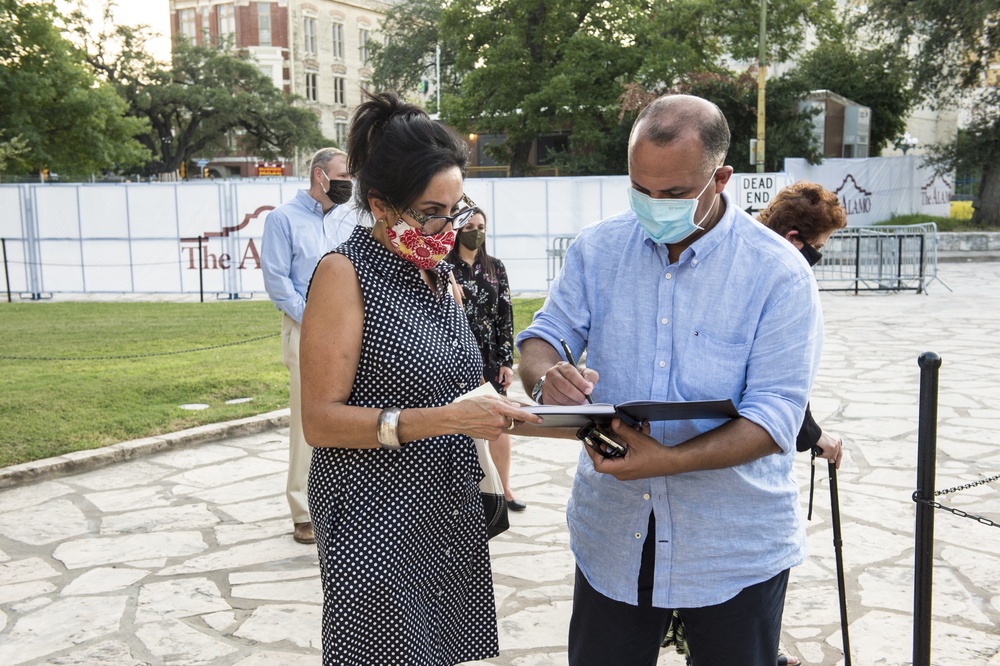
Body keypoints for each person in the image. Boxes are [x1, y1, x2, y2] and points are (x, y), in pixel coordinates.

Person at [516, 94, 823, 666]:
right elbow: (543, 335)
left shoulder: (778, 273)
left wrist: (668, 460)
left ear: (721, 177)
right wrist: (546, 376)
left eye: (676, 193)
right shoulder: (597, 248)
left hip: (732, 542)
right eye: (641, 190)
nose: (655, 206)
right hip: (613, 532)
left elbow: (776, 414)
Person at [298, 91, 551, 665]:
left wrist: (545, 406)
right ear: (382, 205)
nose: (447, 228)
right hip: (373, 513)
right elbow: (320, 421)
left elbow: (454, 390)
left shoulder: (443, 281)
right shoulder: (344, 274)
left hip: (446, 504)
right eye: (431, 212)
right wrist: (448, 420)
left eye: (456, 209)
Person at [260, 147, 359, 545]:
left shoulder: (348, 220)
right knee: (308, 422)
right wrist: (317, 320)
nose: (348, 182)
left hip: (351, 330)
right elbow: (277, 281)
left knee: (350, 416)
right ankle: (303, 512)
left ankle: (343, 502)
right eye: (342, 175)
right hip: (304, 329)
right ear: (320, 176)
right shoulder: (282, 219)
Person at [758, 180, 848, 468]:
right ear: (793, 239)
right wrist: (811, 433)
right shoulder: (778, 282)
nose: (817, 256)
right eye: (817, 247)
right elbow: (780, 374)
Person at [447, 209, 526, 511]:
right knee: (459, 425)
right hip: (456, 358)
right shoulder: (444, 267)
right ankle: (465, 494)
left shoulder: (495, 267)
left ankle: (503, 490)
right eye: (469, 226)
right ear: (456, 229)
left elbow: (504, 315)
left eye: (481, 226)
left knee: (498, 423)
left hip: (491, 357)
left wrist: (506, 361)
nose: (476, 232)